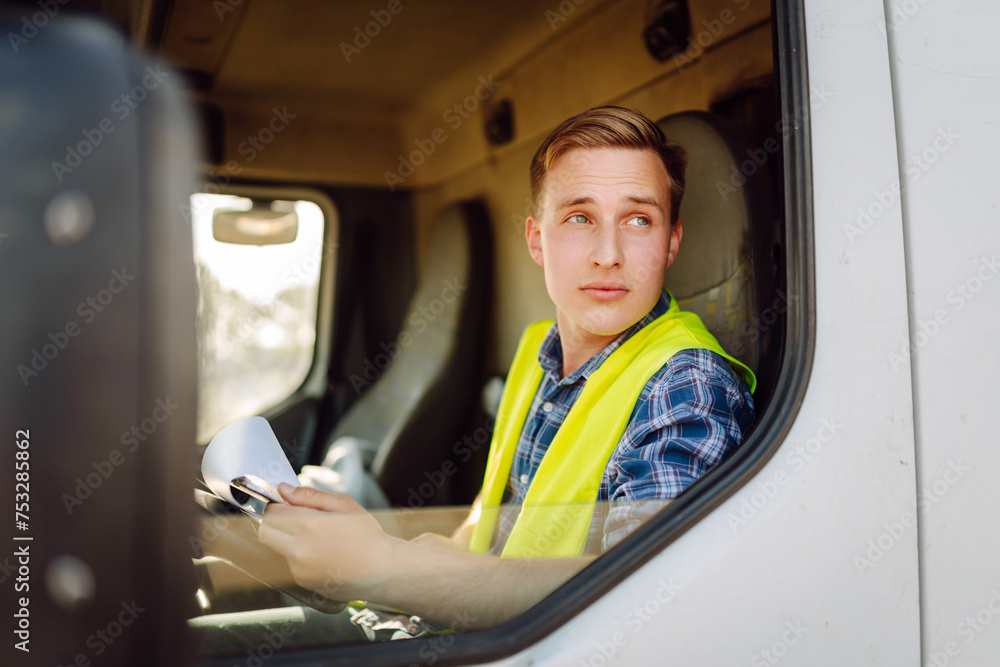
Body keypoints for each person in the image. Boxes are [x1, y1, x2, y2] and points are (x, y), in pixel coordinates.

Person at [257, 106, 756, 633]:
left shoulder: (687, 385)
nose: (608, 254)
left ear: (671, 241)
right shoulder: (538, 354)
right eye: (579, 217)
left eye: (638, 220)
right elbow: (486, 531)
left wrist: (381, 567)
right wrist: (372, 579)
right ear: (537, 239)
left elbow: (641, 592)